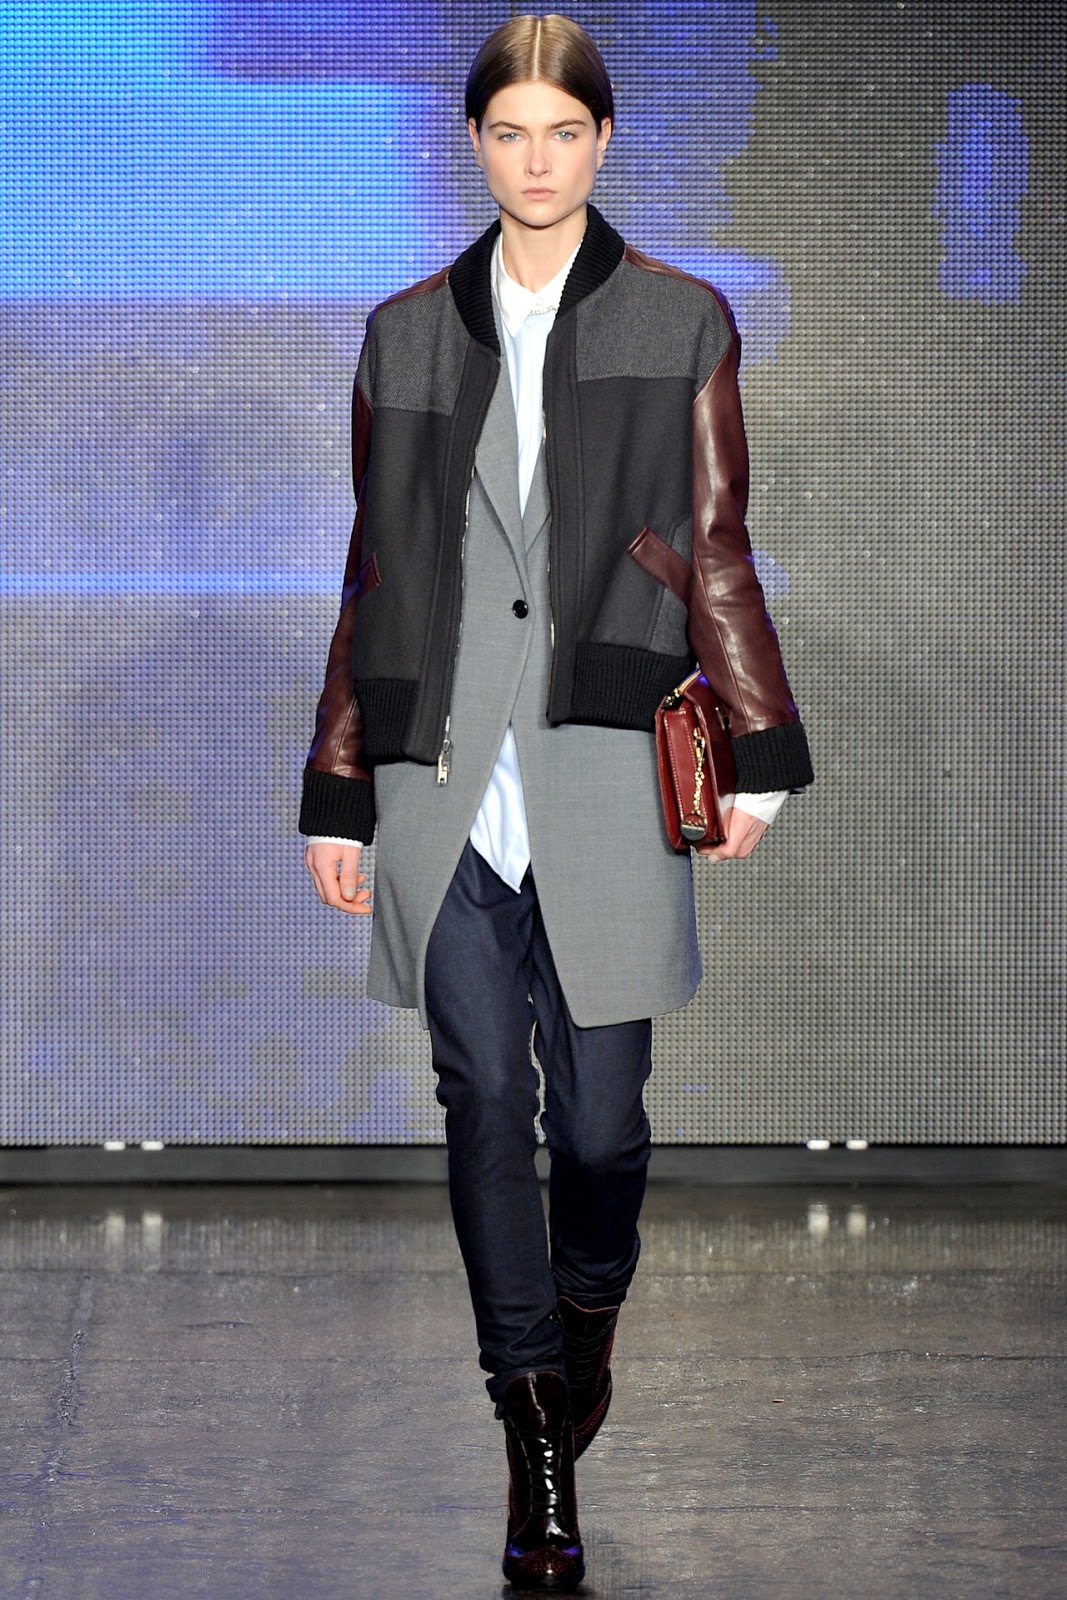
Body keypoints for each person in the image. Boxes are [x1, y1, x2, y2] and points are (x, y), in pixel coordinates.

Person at [300, 14, 813, 1591]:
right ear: (476, 143)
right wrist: (338, 785)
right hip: (440, 771)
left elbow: (713, 539)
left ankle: (584, 1325)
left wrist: (757, 742)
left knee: (598, 1124)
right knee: (480, 1101)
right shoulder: (404, 334)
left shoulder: (678, 318)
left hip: (601, 758)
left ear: (603, 140)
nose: (537, 159)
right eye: (510, 132)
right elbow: (377, 566)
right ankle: (531, 1427)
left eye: (564, 132)